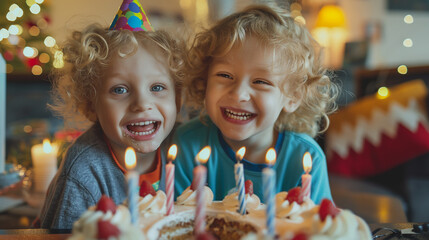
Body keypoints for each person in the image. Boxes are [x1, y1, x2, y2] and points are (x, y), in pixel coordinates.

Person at [39, 0, 185, 229]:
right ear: (90, 105)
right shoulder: (84, 169)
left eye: (157, 87)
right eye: (120, 90)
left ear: (177, 99)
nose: (142, 104)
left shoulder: (187, 144)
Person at [173, 4, 339, 204]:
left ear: (293, 97)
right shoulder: (188, 143)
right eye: (225, 75)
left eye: (261, 82)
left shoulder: (306, 158)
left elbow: (320, 230)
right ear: (204, 80)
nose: (239, 94)